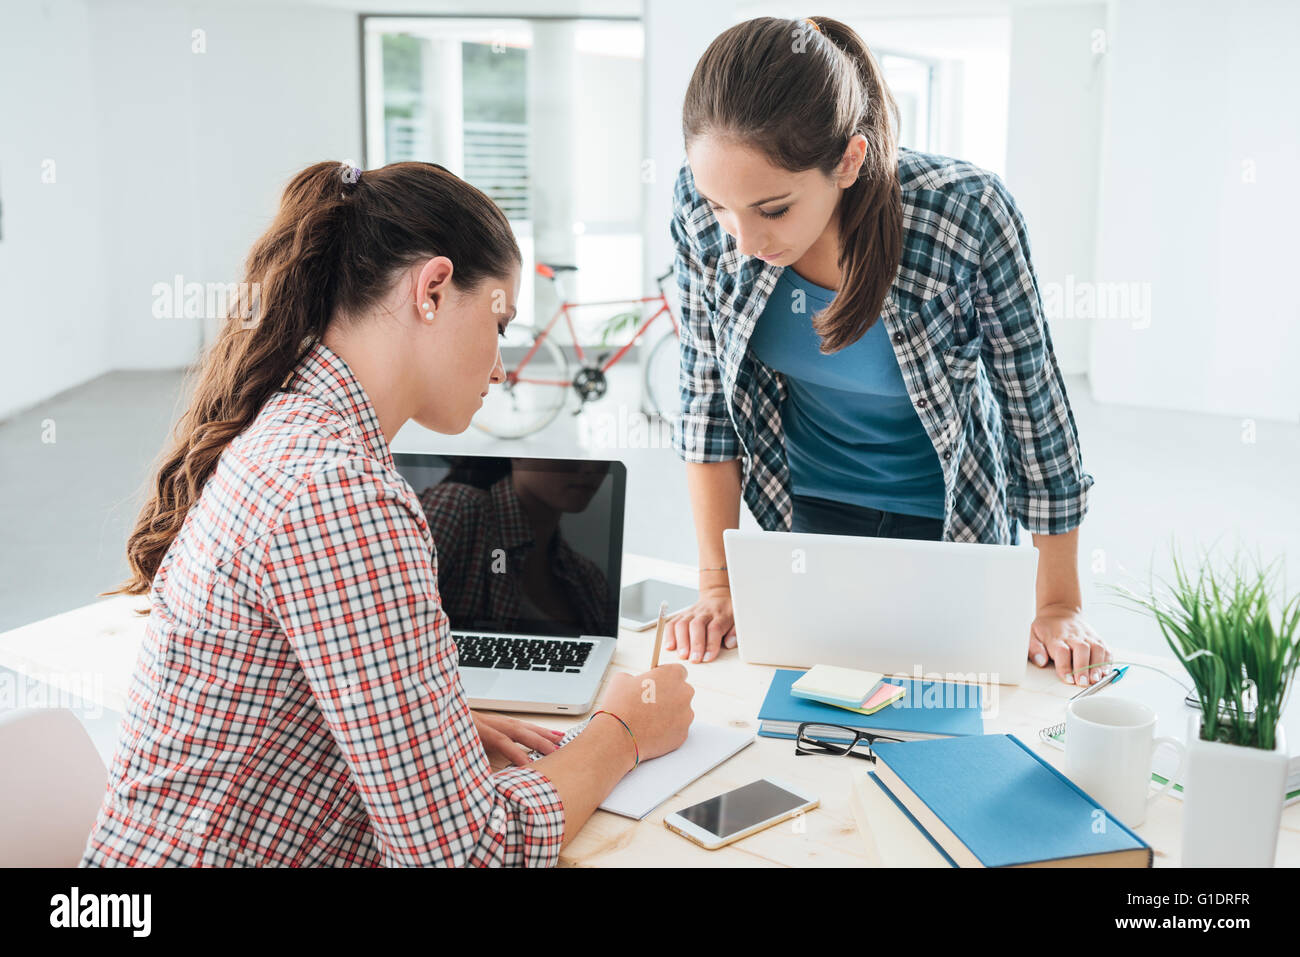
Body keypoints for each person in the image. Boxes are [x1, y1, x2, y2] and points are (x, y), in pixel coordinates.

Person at [82, 160, 693, 868]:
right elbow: (466, 856)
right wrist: (622, 730)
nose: (502, 367)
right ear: (432, 289)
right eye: (499, 322)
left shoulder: (286, 430)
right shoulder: (344, 494)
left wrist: (422, 722)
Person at [665, 16, 1111, 688]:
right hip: (806, 513)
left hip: (948, 521)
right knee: (812, 711)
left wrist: (1058, 603)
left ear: (849, 160)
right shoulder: (705, 214)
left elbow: (1034, 412)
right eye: (720, 206)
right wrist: (717, 585)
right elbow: (706, 406)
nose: (742, 241)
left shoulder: (966, 215)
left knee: (948, 714)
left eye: (774, 209)